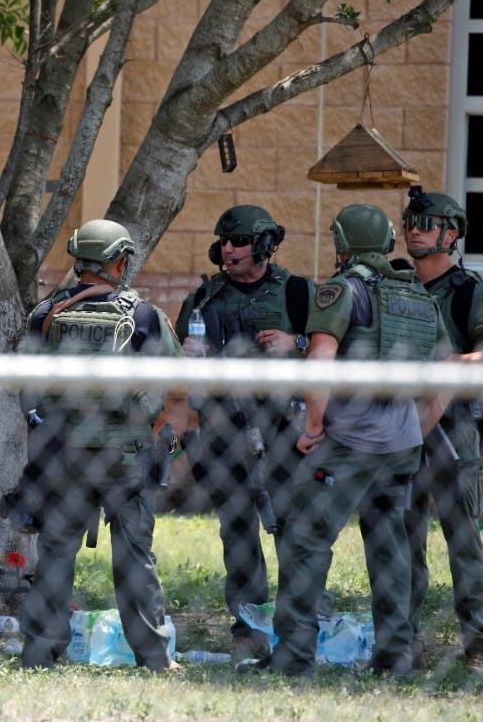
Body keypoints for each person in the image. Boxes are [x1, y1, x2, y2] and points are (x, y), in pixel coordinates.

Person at [249, 204, 450, 677]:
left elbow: (319, 361)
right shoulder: (418, 295)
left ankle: (295, 656)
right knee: (390, 546)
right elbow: (444, 375)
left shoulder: (341, 289)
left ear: (343, 243)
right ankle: (396, 657)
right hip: (400, 447)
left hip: (348, 445)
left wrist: (313, 428)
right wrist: (415, 431)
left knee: (303, 541)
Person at [15, 219, 179, 672]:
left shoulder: (45, 314)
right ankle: (154, 657)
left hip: (63, 455)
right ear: (121, 260)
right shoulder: (143, 316)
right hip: (124, 456)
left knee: (55, 554)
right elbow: (172, 384)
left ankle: (40, 652)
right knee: (134, 557)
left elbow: (26, 384)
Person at [173, 205, 314, 661]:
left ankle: (299, 622)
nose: (228, 250)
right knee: (237, 528)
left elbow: (335, 348)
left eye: (238, 242)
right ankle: (249, 626)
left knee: (293, 526)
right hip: (222, 428)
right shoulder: (203, 299)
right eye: (224, 242)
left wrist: (299, 344)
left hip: (284, 428)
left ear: (264, 246)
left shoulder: (297, 293)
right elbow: (178, 365)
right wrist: (188, 352)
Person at [401, 186, 483, 676]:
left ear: (451, 234)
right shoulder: (398, 287)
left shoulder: (470, 292)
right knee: (402, 539)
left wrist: (451, 362)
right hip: (399, 429)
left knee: (462, 539)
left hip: (454, 432)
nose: (413, 230)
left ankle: (481, 644)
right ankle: (403, 641)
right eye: (410, 222)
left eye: (425, 224)